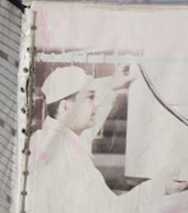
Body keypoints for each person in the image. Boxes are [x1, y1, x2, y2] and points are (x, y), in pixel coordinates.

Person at [25, 64, 188, 212]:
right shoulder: (69, 161)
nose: (96, 104)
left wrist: (111, 86)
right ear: (65, 107)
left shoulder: (45, 139)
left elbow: (81, 131)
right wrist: (162, 190)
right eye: (90, 98)